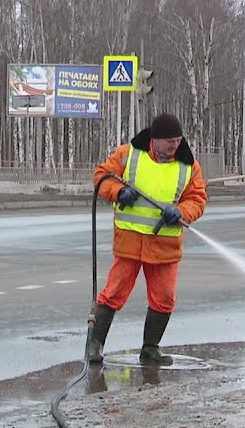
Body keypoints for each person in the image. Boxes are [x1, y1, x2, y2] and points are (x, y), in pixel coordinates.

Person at [86, 112, 207, 365]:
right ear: (155, 139)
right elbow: (101, 177)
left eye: (177, 140)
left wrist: (182, 212)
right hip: (129, 242)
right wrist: (119, 192)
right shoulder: (128, 154)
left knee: (164, 298)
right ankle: (94, 349)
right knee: (113, 293)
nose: (175, 145)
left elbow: (197, 199)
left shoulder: (188, 165)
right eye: (169, 141)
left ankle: (151, 349)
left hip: (165, 246)